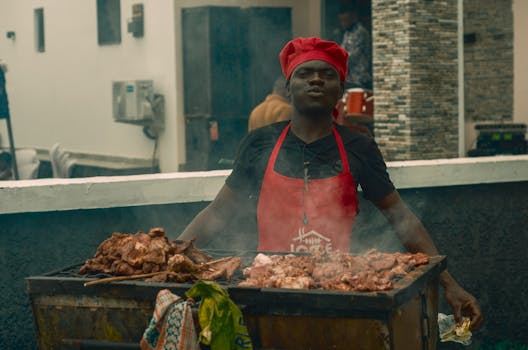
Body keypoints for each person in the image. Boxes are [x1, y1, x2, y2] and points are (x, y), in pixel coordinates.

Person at [178, 37, 483, 331]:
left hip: (337, 294)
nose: (316, 80)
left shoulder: (359, 147)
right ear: (288, 86)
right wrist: (173, 256)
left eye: (327, 74)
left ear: (340, 90)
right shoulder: (260, 144)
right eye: (304, 73)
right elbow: (218, 212)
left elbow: (400, 217)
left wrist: (449, 284)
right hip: (265, 291)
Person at [338, 4, 372, 89]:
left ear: (353, 17)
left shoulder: (360, 32)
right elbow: (342, 51)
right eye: (341, 21)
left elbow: (351, 57)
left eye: (345, 20)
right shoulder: (347, 33)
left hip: (360, 79)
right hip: (349, 79)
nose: (343, 24)